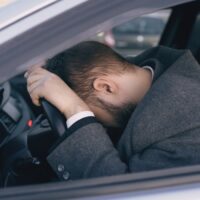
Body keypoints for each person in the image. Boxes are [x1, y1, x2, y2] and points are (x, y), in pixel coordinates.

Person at [25, 41, 200, 181]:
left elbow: (123, 194)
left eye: (92, 116)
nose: (97, 124)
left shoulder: (190, 120)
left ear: (105, 87)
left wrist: (75, 109)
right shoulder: (162, 76)